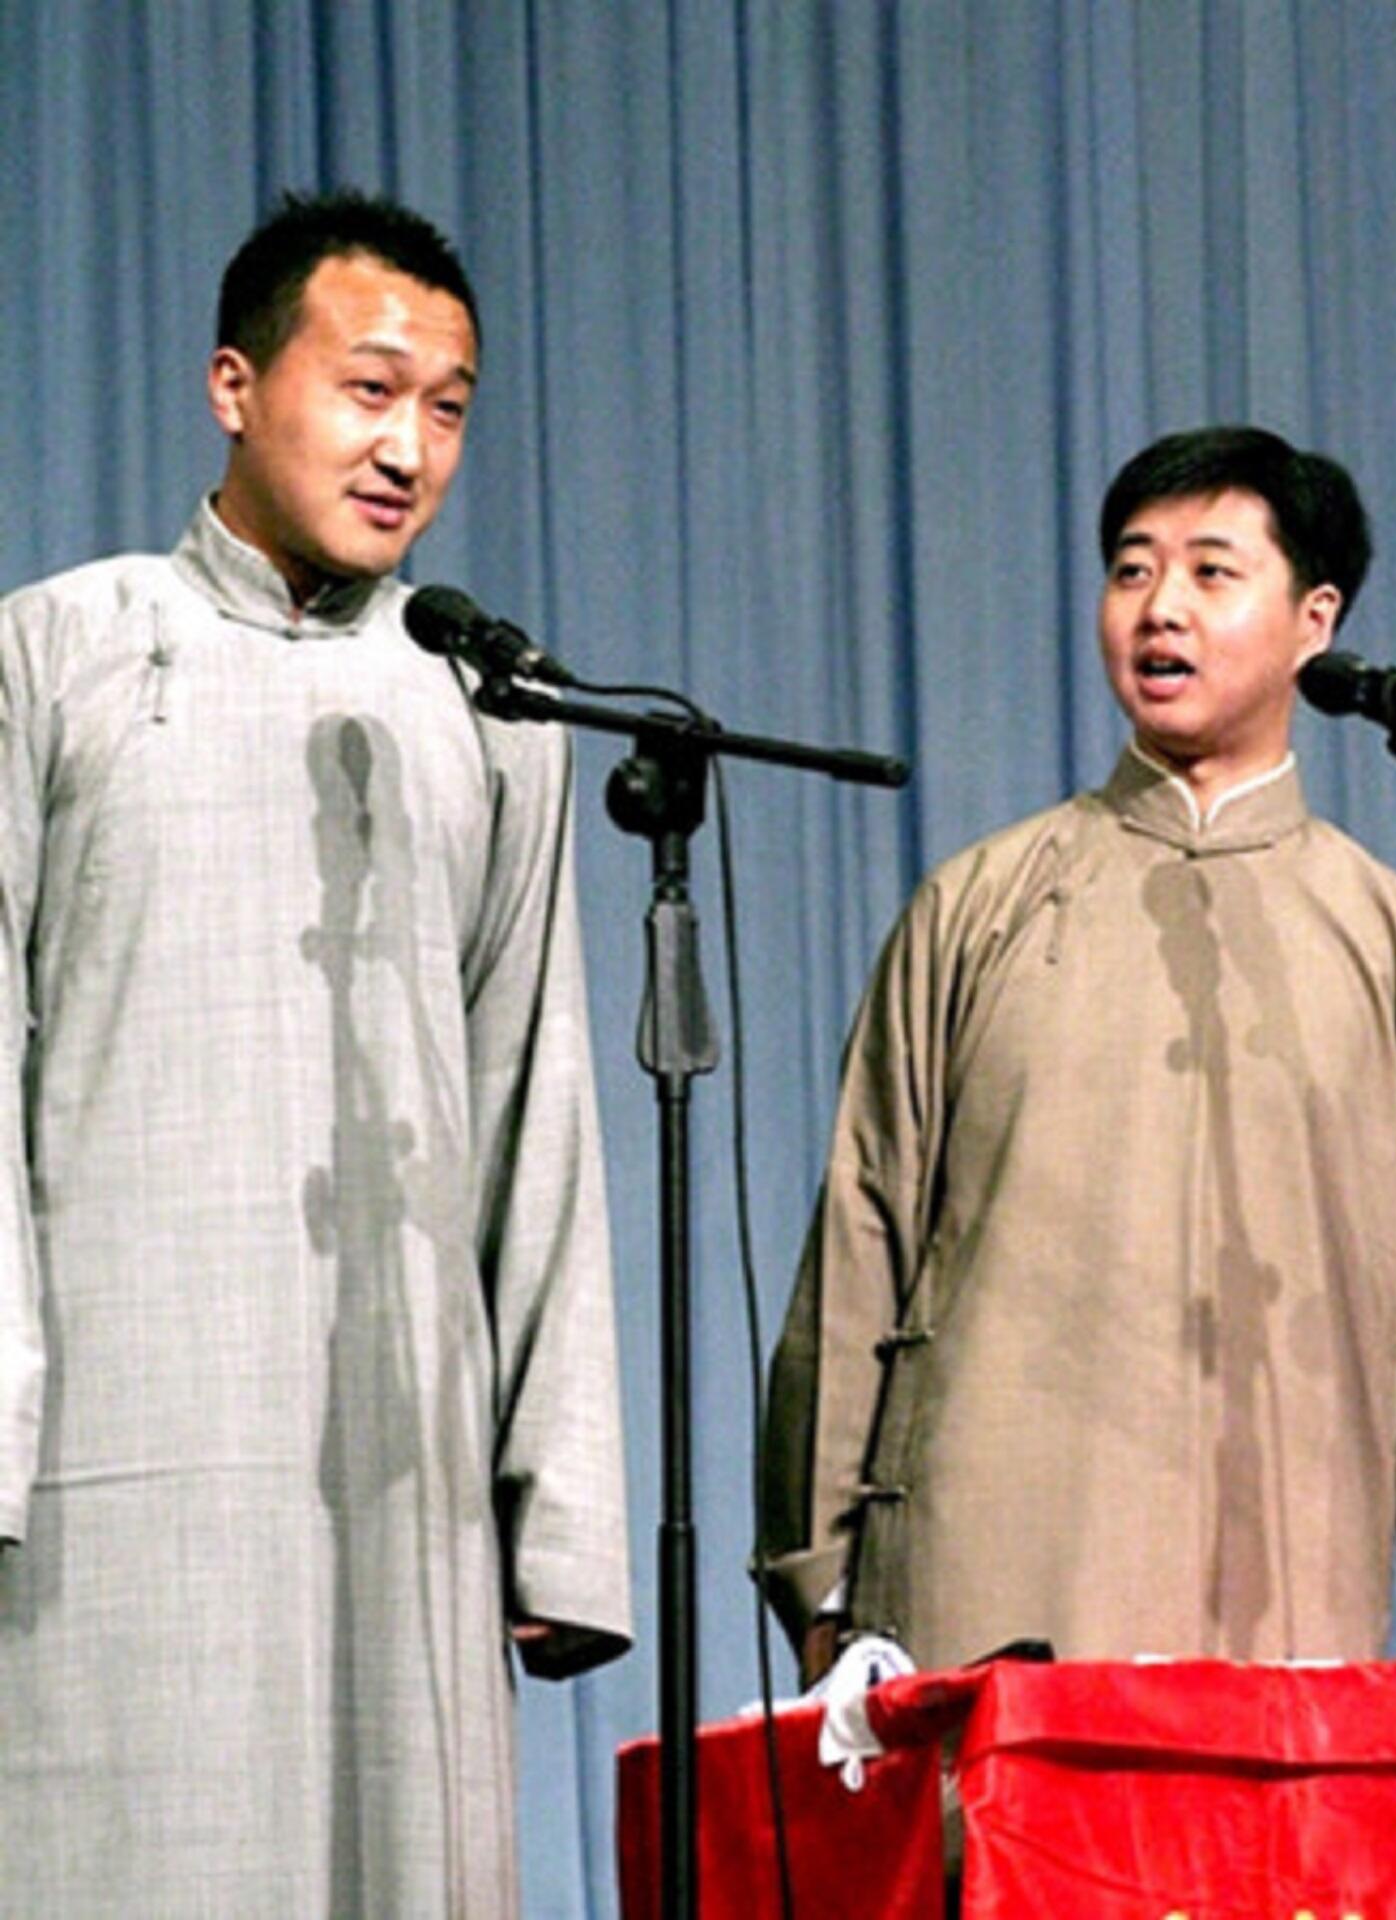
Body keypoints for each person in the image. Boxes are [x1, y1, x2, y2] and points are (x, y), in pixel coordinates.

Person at [0, 189, 630, 1915]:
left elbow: (536, 1106)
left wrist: (554, 1510)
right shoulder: (60, 650)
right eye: (367, 389)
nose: (407, 446)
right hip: (114, 1448)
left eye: (447, 408)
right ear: (232, 385)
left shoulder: (490, 713)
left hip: (404, 1466)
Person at [761, 426, 1396, 1686]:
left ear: (1315, 618)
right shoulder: (981, 906)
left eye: (1212, 572)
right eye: (1132, 570)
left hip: (1298, 1624)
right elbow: (859, 1249)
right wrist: (824, 1592)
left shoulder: (1395, 949)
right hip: (989, 1604)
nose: (1160, 608)